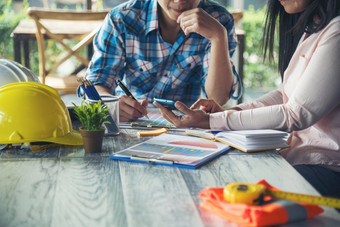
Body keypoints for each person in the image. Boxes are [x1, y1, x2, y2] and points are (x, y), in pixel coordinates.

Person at [154, 0, 340, 201]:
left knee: (227, 194)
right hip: (298, 159)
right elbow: (284, 94)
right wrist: (228, 114)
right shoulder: (315, 29)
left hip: (327, 168)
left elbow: (297, 113)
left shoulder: (336, 32)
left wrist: (212, 121)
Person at [83, 0, 241, 122]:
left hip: (188, 124)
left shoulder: (219, 20)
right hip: (131, 122)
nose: (180, 1)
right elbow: (96, 83)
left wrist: (218, 36)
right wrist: (111, 104)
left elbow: (218, 98)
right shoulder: (122, 18)